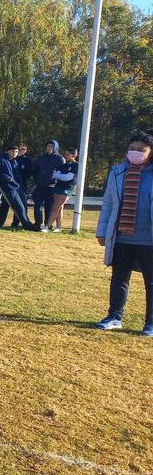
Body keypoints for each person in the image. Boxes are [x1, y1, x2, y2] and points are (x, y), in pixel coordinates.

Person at [96, 133, 153, 336]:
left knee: (151, 281)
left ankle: (151, 323)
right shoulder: (118, 172)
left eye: (142, 149)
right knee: (119, 277)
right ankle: (114, 317)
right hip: (121, 237)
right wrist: (102, 230)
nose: (136, 153)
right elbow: (109, 204)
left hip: (149, 239)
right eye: (133, 148)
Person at [0, 143, 37, 231]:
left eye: (16, 151)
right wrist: (7, 178)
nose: (15, 153)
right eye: (13, 151)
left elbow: (18, 176)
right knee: (19, 207)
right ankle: (27, 225)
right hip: (9, 187)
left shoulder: (15, 162)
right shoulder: (1, 160)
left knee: (23, 206)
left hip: (18, 187)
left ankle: (18, 224)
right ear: (8, 151)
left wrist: (20, 185)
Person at [42, 148, 78, 233]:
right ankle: (59, 227)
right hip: (58, 187)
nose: (66, 156)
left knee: (55, 207)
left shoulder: (76, 165)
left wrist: (61, 176)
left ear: (73, 155)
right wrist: (61, 176)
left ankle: (47, 226)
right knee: (60, 207)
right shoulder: (64, 165)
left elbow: (68, 178)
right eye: (65, 154)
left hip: (68, 189)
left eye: (68, 154)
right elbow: (55, 175)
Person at [32, 140, 63, 227]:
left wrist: (56, 183)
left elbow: (62, 172)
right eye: (48, 146)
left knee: (49, 206)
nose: (49, 148)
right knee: (37, 205)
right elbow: (35, 170)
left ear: (55, 148)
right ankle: (38, 223)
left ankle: (48, 224)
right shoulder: (41, 158)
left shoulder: (60, 159)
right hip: (40, 186)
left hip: (52, 187)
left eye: (52, 146)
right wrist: (37, 180)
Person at [15, 143, 32, 209]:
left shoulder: (27, 160)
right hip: (11, 183)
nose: (20, 151)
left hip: (22, 184)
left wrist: (21, 179)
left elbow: (28, 172)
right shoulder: (13, 159)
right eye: (19, 149)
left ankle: (19, 219)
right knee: (6, 203)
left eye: (23, 149)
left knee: (21, 203)